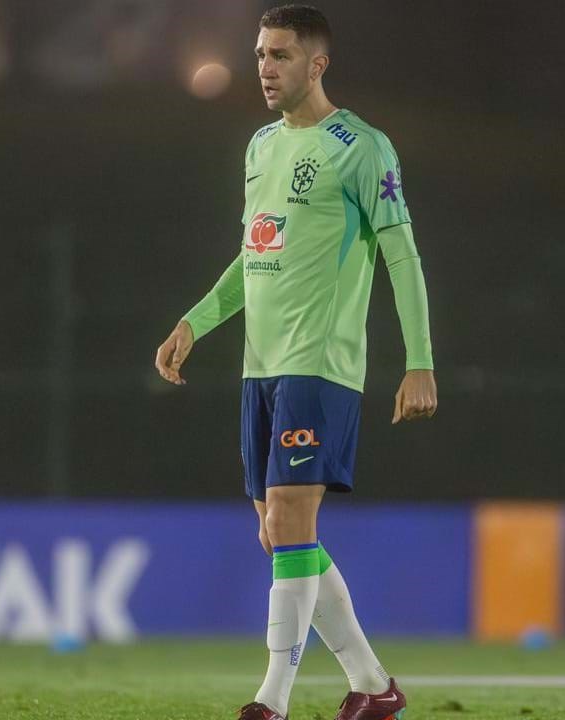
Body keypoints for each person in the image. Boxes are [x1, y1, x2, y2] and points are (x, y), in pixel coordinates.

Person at [153, 5, 436, 719]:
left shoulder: (362, 146)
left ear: (318, 63)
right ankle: (374, 687)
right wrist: (196, 319)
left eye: (280, 55)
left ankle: (271, 700)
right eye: (258, 54)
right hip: (261, 367)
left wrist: (419, 361)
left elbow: (401, 254)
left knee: (287, 517)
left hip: (322, 364)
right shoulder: (259, 147)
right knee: (279, 532)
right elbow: (256, 251)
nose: (265, 69)